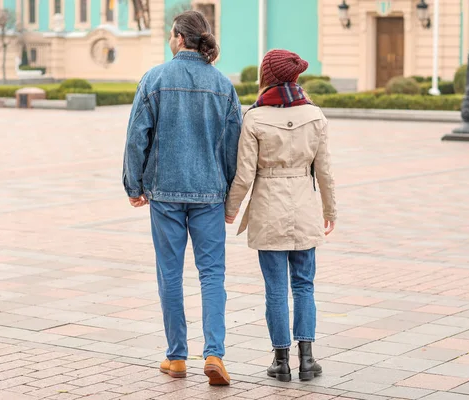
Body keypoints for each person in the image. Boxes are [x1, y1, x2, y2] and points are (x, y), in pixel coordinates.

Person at [122, 11, 242, 386]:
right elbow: (233, 146)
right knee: (212, 274)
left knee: (170, 274)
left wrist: (133, 184)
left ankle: (176, 358)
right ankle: (214, 353)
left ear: (178, 37)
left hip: (165, 191)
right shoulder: (223, 85)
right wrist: (227, 191)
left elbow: (136, 137)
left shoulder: (155, 79)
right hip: (209, 192)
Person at [225, 49, 337, 382]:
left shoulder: (255, 118)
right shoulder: (315, 116)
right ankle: (307, 360)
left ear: (266, 77)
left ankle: (281, 361)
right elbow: (326, 171)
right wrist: (330, 210)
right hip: (305, 206)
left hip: (268, 208)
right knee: (304, 286)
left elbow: (244, 175)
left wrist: (230, 210)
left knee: (275, 289)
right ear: (296, 77)